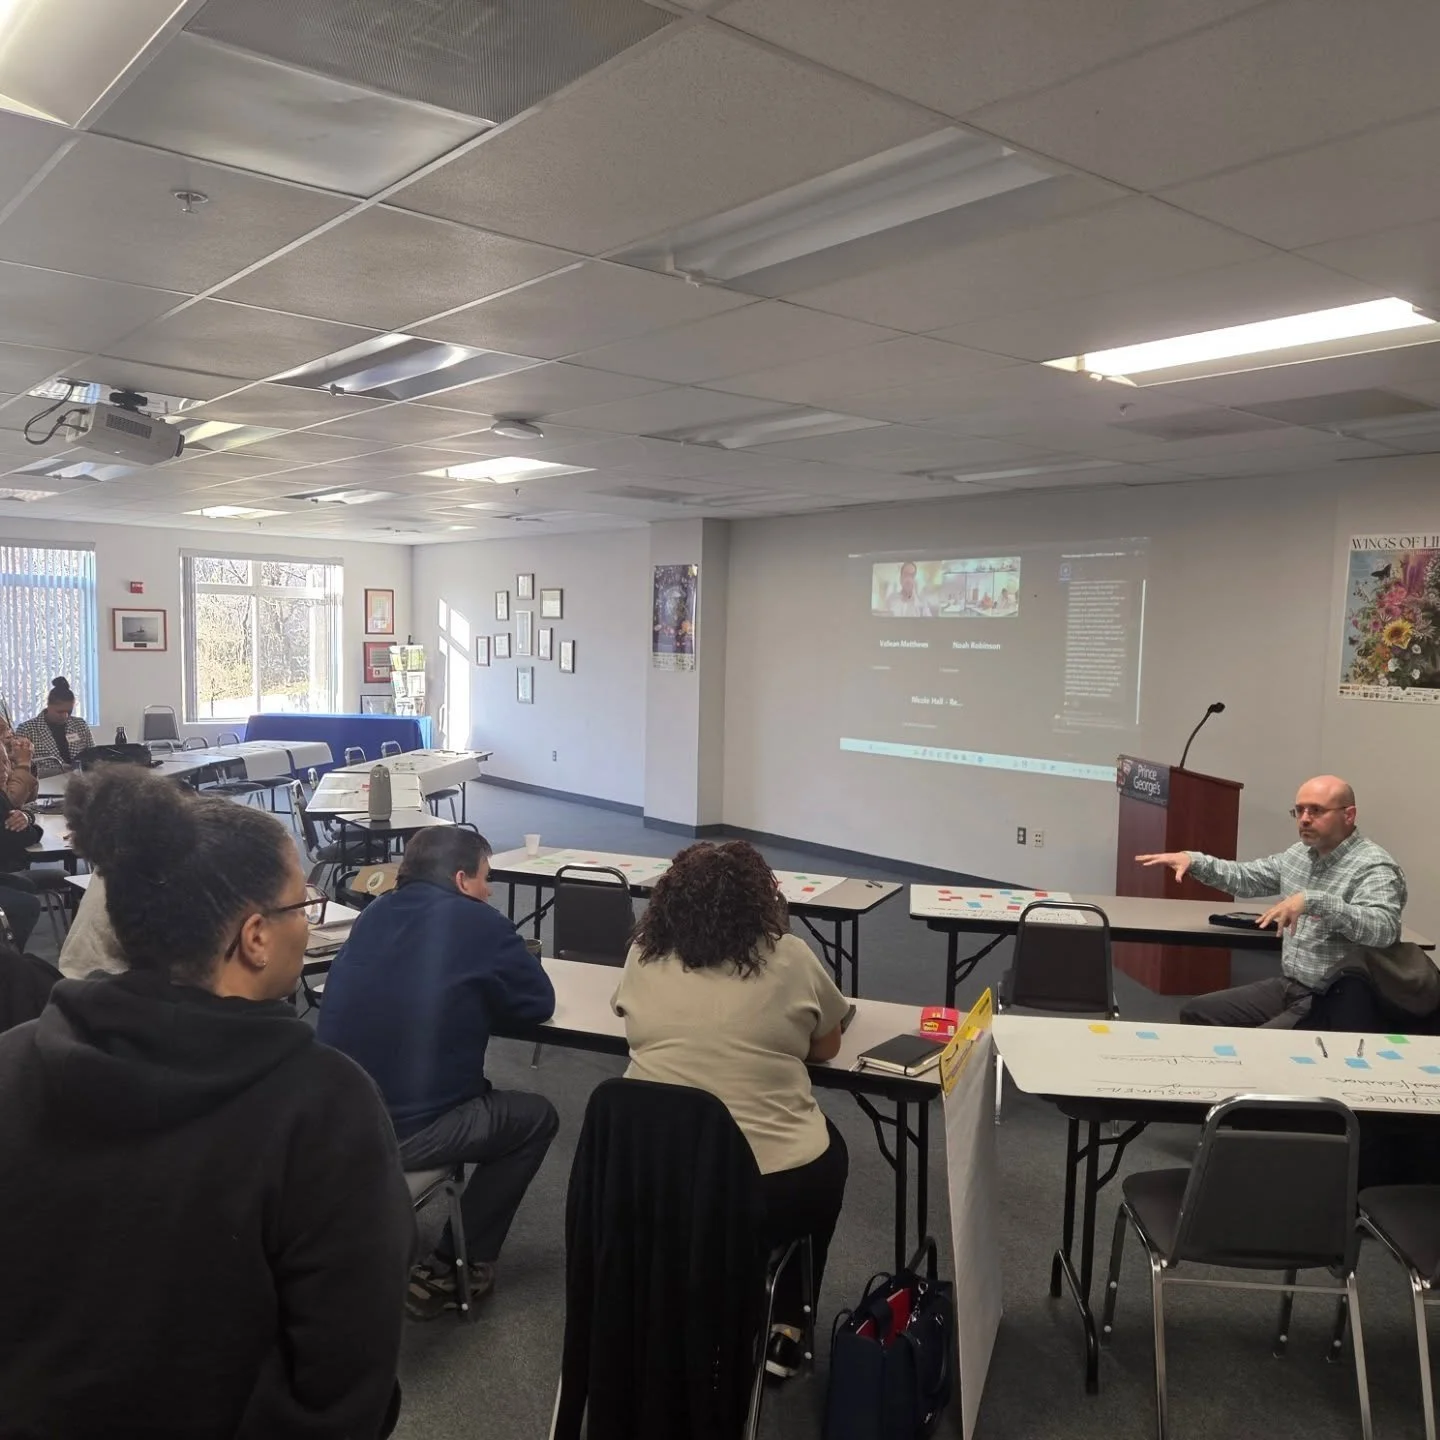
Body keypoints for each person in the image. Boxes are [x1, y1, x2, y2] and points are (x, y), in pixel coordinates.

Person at [0, 766, 414, 1438]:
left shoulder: (14, 1061)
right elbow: (344, 1384)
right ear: (254, 936)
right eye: (299, 905)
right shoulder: (325, 1110)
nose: (307, 923)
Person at [612, 840, 851, 1379]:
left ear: (670, 898)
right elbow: (827, 1047)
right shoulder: (789, 956)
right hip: (765, 1187)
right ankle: (788, 1323)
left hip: (653, 1178)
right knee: (829, 1153)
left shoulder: (643, 953)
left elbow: (632, 1028)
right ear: (760, 899)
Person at [317, 826, 558, 1320]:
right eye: (486, 879)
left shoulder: (374, 913)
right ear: (462, 878)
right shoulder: (479, 923)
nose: (490, 890)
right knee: (536, 1118)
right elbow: (538, 1002)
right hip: (406, 1133)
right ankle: (456, 1263)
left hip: (335, 1118)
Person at [1138, 774, 1406, 1028]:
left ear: (1349, 815)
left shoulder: (1373, 866)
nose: (1304, 819)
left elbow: (1383, 930)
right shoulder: (1300, 854)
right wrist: (1195, 861)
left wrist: (1315, 901)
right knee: (1198, 1012)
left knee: (1259, 1047)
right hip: (1292, 985)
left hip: (1337, 998)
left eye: (1316, 811)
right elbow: (1247, 878)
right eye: (1299, 810)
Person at [17, 676, 95, 776]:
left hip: (80, 782)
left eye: (69, 711)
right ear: (48, 705)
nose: (65, 716)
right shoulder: (27, 729)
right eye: (60, 711)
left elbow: (94, 757)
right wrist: (58, 770)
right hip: (45, 785)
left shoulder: (80, 725)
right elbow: (21, 769)